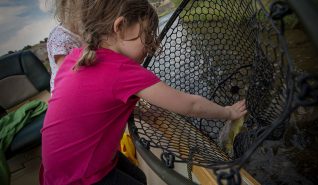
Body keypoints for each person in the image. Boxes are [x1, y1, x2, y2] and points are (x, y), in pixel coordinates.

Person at [40, 0, 247, 184]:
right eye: (147, 36)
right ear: (120, 27)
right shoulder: (120, 70)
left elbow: (89, 102)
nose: (153, 46)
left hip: (56, 170)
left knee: (139, 177)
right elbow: (190, 104)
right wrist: (228, 113)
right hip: (78, 176)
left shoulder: (76, 57)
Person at [47, 0, 83, 93]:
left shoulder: (82, 31)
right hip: (65, 91)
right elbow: (69, 74)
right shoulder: (60, 39)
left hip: (82, 81)